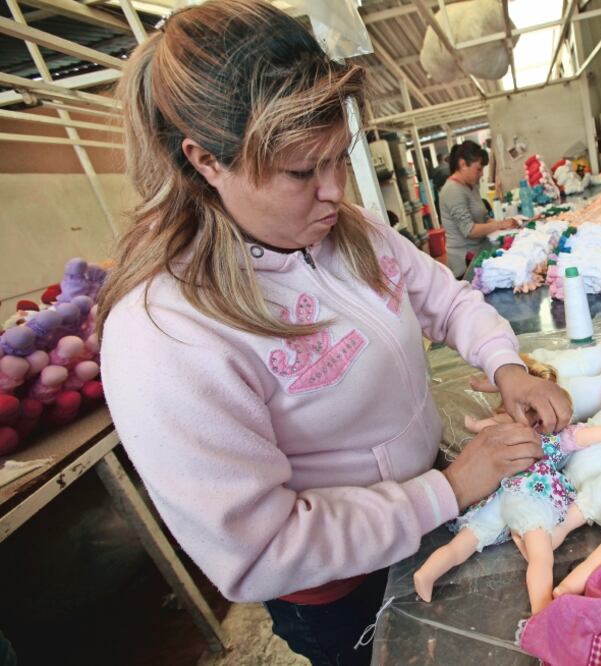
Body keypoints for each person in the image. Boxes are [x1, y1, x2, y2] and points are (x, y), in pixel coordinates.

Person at [95, 1, 572, 664]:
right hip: (340, 591)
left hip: (430, 514)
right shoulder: (167, 334)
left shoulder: (345, 231)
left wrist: (505, 366)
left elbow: (444, 298)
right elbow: (261, 549)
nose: (333, 191)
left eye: (339, 159)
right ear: (206, 161)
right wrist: (451, 489)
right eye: (300, 171)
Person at [439, 141, 518, 278]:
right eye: (478, 169)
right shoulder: (452, 190)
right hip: (465, 263)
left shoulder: (471, 186)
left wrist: (500, 224)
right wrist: (500, 224)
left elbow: (483, 217)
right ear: (463, 164)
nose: (481, 174)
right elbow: (469, 230)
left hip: (479, 251)